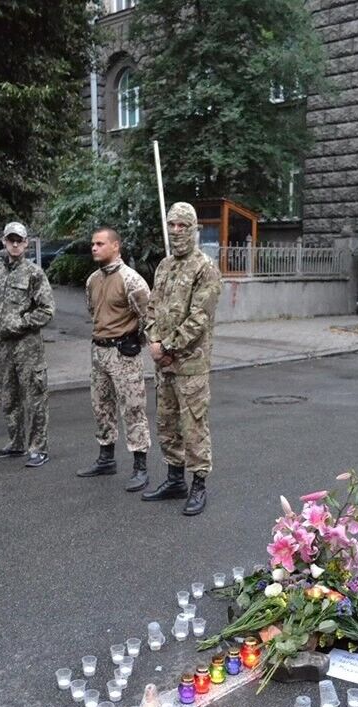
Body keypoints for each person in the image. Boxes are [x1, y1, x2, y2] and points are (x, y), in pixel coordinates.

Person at [142, 202, 222, 516]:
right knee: (167, 422)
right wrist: (152, 339)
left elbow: (199, 318)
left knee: (194, 426)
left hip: (190, 364)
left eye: (183, 226)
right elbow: (152, 307)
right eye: (172, 225)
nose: (176, 231)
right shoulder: (164, 266)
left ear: (193, 229)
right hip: (164, 362)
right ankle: (175, 480)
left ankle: (198, 484)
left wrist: (167, 346)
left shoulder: (205, 268)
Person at [76, 227, 152, 491]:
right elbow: (93, 311)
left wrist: (134, 342)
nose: (94, 248)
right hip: (99, 352)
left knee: (133, 409)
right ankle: (106, 459)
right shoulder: (92, 280)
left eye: (100, 243)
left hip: (123, 354)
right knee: (101, 407)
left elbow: (149, 317)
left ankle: (140, 467)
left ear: (115, 246)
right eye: (93, 244)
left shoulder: (131, 280)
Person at [0, 222, 55, 467]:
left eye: (19, 240)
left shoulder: (34, 273)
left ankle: (38, 448)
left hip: (28, 344)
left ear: (26, 243)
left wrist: (21, 322)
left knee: (35, 396)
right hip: (6, 345)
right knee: (9, 396)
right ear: (4, 242)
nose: (15, 244)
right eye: (11, 240)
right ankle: (16, 442)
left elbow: (47, 310)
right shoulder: (0, 272)